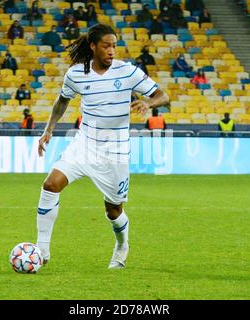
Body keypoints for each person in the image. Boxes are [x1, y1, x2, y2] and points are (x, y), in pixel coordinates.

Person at [35, 24, 169, 269]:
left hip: (115, 151)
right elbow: (62, 101)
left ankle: (122, 245)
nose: (112, 51)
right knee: (51, 184)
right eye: (107, 45)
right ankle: (42, 250)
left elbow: (163, 95)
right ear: (93, 46)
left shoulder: (127, 72)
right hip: (85, 143)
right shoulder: (76, 74)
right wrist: (49, 129)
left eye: (114, 46)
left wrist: (148, 103)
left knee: (113, 210)